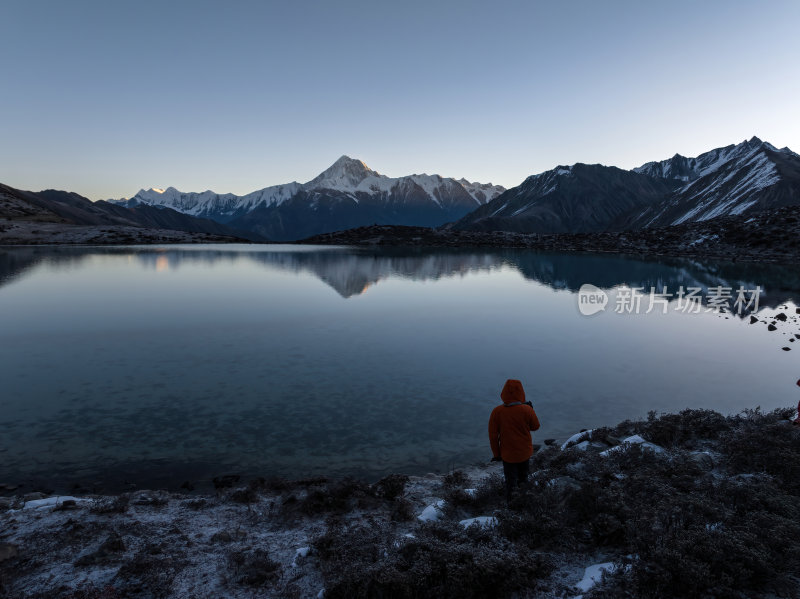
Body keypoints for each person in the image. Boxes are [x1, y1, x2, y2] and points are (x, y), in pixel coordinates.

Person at [488, 379, 541, 502]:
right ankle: (525, 502)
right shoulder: (527, 410)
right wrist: (531, 410)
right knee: (524, 478)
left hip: (508, 454)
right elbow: (535, 427)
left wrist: (497, 455)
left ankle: (511, 507)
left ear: (504, 392)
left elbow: (493, 436)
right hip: (525, 452)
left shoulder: (497, 411)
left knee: (510, 482)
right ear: (521, 392)